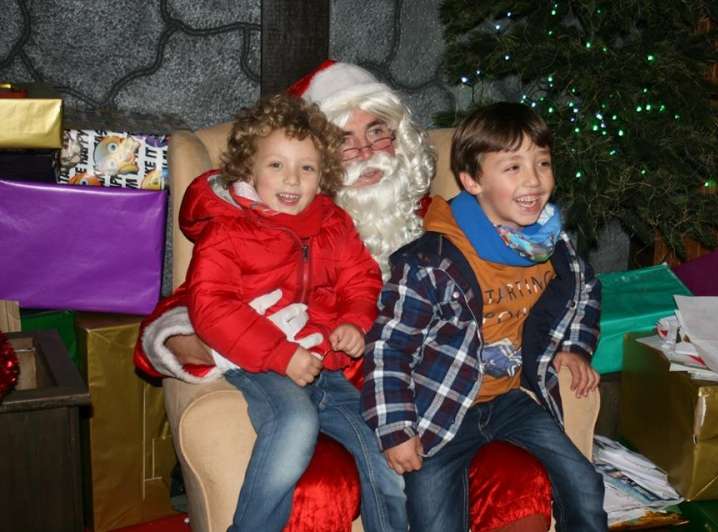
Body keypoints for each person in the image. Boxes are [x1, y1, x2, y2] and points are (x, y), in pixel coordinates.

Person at [134, 61, 574, 531]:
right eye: (345, 139)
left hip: (441, 407)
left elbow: (519, 291)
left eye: (378, 132)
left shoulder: (446, 224)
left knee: (516, 475)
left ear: (400, 141)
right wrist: (247, 346)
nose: (366, 151)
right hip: (329, 388)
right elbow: (194, 311)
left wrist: (560, 342)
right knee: (319, 488)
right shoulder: (263, 229)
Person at [361, 101, 607, 531]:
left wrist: (574, 347)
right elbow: (389, 348)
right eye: (513, 167)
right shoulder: (430, 261)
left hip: (510, 401)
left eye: (543, 163)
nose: (534, 180)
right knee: (433, 521)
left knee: (585, 484)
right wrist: (396, 428)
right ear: (472, 181)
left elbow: (586, 288)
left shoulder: (551, 243)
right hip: (441, 409)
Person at [178, 93, 406, 532]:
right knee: (296, 422)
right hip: (262, 362)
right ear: (249, 169)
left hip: (328, 369)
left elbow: (361, 279)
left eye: (307, 168)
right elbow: (211, 305)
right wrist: (282, 355)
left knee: (385, 444)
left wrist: (354, 322)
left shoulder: (333, 222)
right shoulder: (229, 229)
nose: (292, 179)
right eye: (276, 165)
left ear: (324, 175)